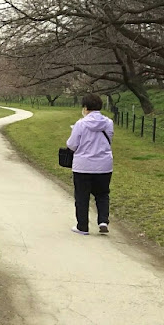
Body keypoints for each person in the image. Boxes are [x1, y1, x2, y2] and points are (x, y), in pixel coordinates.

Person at [66, 94, 114, 235]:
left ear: (85, 108)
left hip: (83, 166)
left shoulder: (80, 124)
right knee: (102, 194)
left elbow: (72, 144)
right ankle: (103, 220)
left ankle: (82, 226)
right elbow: (109, 139)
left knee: (82, 196)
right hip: (104, 164)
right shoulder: (109, 123)